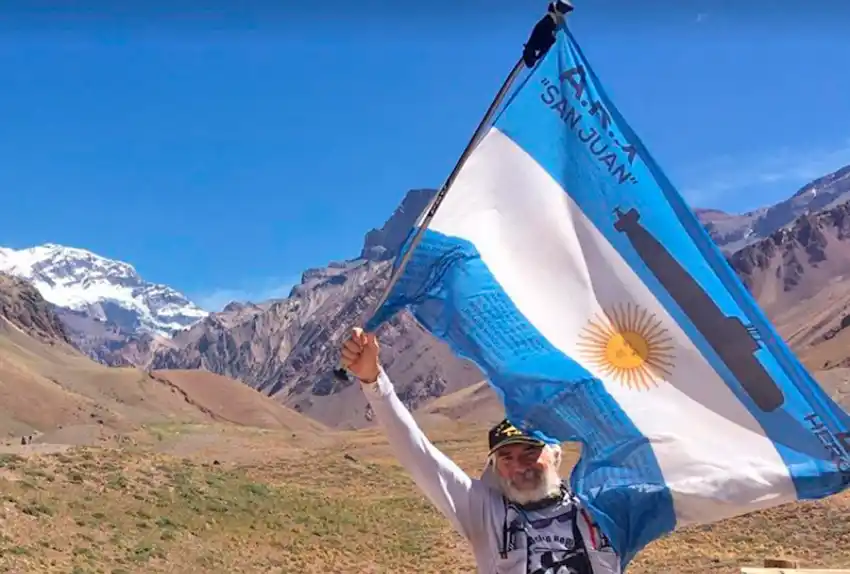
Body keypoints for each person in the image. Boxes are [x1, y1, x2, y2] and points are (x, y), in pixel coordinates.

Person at [341, 327, 622, 574]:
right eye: (506, 458)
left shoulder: (600, 509)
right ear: (495, 467)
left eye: (529, 453)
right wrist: (373, 381)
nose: (519, 466)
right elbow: (420, 456)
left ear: (555, 453)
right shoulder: (485, 512)